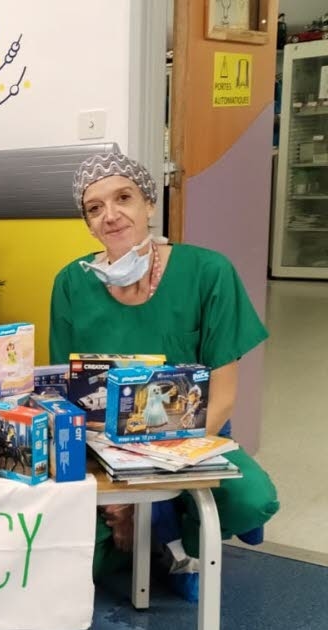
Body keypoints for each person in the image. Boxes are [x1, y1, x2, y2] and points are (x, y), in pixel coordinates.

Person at [50, 151, 280, 588]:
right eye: (95, 208)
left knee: (251, 499)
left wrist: (148, 483)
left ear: (150, 204)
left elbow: (222, 397)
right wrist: (116, 493)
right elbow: (66, 396)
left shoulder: (208, 272)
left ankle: (182, 543)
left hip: (192, 438)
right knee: (80, 569)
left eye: (124, 198)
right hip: (106, 447)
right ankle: (150, 534)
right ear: (88, 223)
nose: (111, 216)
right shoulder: (71, 283)